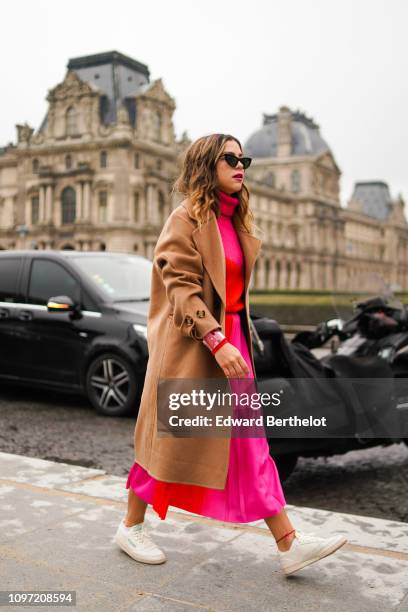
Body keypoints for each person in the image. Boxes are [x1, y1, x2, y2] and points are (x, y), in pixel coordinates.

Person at [115, 133, 347, 576]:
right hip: (194, 346)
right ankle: (130, 526)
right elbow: (180, 286)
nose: (241, 165)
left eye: (245, 158)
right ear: (207, 165)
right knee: (170, 440)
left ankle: (288, 542)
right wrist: (216, 340)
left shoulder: (235, 219)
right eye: (230, 158)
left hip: (232, 342)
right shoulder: (184, 219)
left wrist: (234, 337)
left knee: (249, 443)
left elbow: (233, 292)